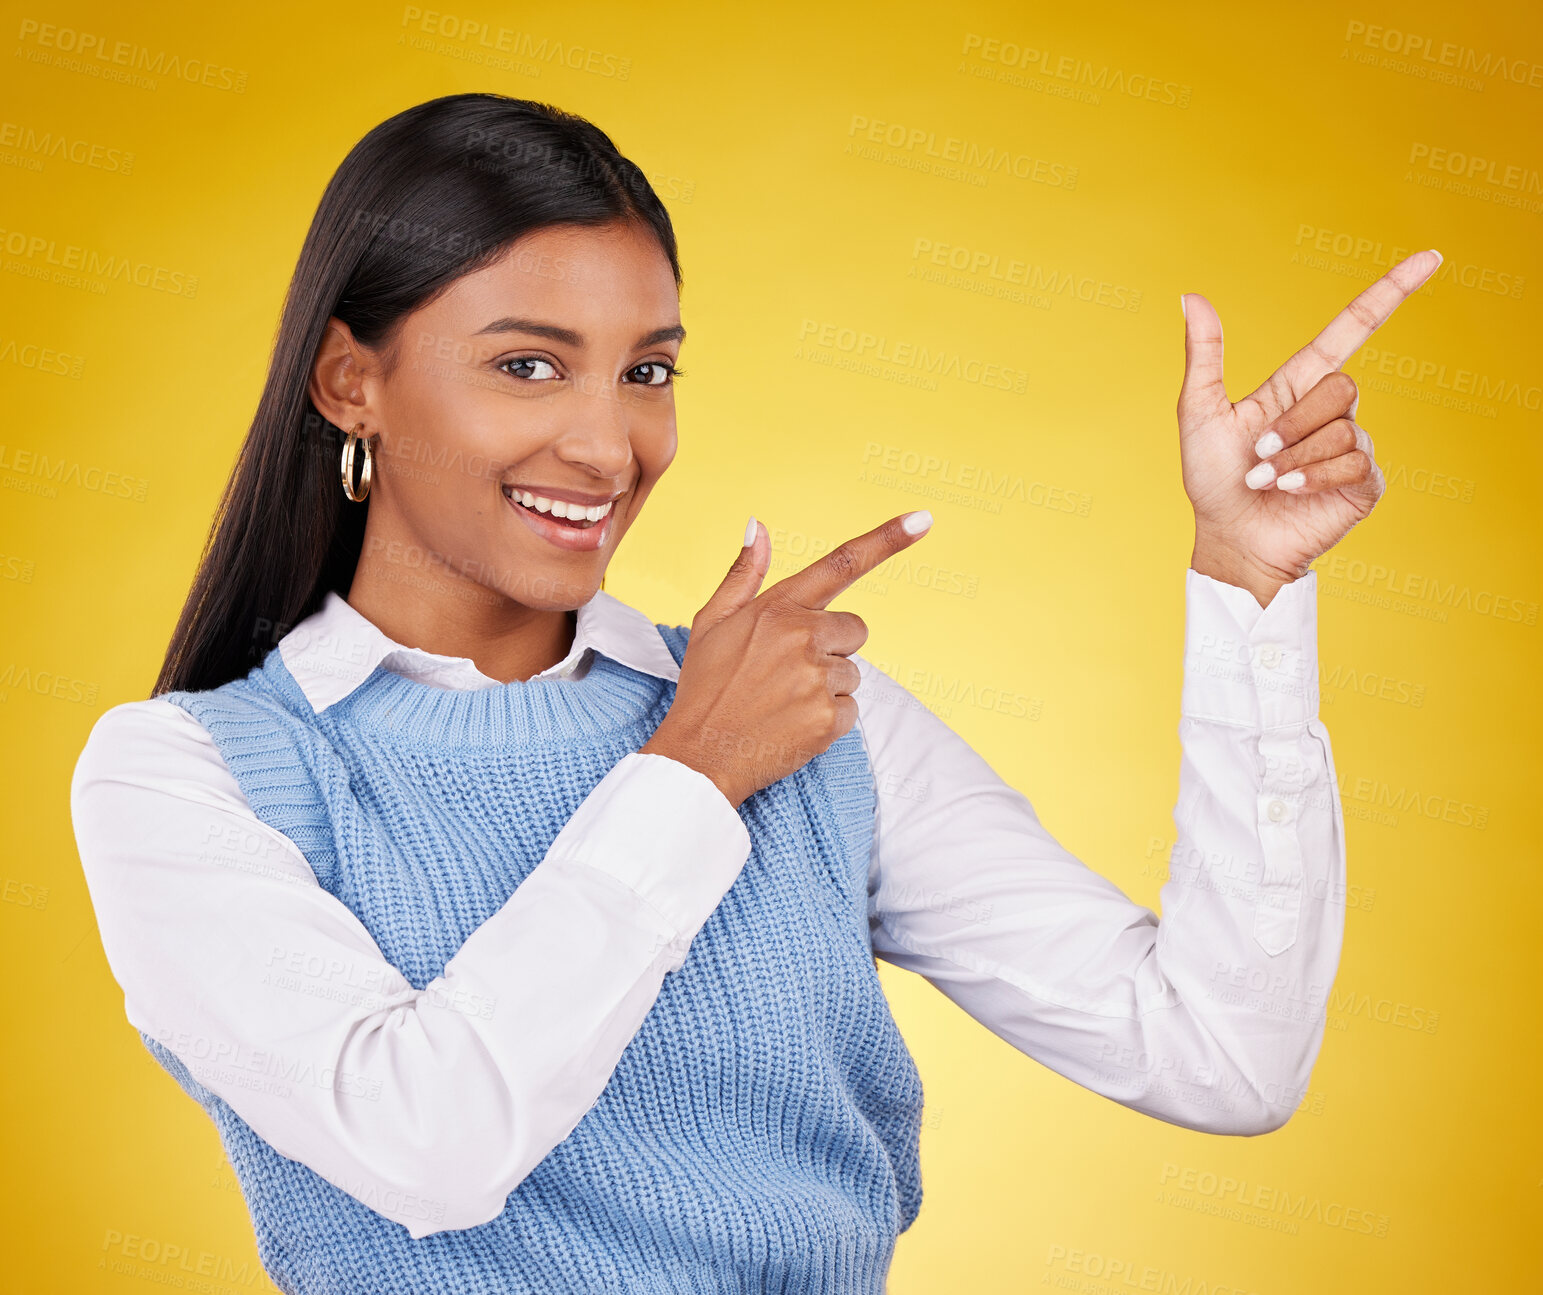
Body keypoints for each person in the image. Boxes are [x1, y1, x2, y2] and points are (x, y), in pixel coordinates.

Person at [69, 91, 1439, 1294]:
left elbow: (1221, 1058)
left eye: (648, 371)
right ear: (351, 379)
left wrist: (1247, 584)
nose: (609, 444)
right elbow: (429, 1149)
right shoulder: (188, 774)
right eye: (527, 365)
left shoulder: (814, 716)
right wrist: (691, 771)